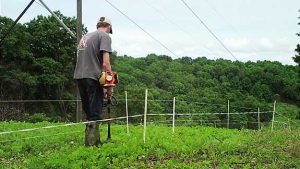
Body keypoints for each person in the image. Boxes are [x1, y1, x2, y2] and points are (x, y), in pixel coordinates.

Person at [74, 17, 113, 122]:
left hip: (79, 76)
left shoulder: (85, 37)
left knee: (88, 113)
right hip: (93, 77)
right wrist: (109, 87)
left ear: (97, 26)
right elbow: (106, 64)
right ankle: (94, 138)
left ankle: (89, 136)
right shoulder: (105, 36)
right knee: (95, 115)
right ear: (109, 27)